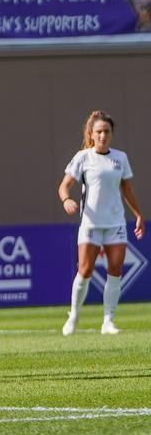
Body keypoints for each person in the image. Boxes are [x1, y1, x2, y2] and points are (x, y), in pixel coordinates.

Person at [58, 111, 144, 336]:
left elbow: (127, 190)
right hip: (91, 223)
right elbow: (64, 186)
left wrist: (138, 214)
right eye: (99, 132)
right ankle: (74, 315)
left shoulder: (120, 158)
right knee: (85, 270)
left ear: (111, 133)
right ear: (91, 134)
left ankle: (108, 321)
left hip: (115, 223)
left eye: (106, 131)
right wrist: (67, 200)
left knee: (115, 270)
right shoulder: (83, 157)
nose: (103, 136)